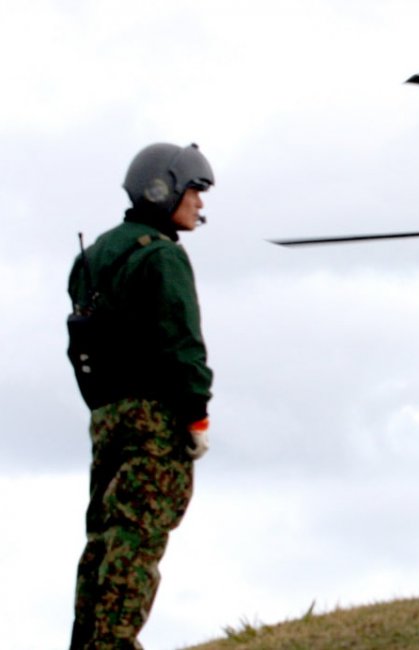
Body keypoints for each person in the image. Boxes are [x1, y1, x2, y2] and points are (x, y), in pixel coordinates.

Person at [66, 142, 215, 649]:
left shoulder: (91, 256)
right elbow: (182, 344)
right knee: (138, 536)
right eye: (193, 191)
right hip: (155, 419)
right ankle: (114, 644)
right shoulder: (164, 257)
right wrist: (196, 417)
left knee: (103, 537)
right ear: (163, 188)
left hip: (106, 415)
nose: (199, 203)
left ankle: (86, 641)